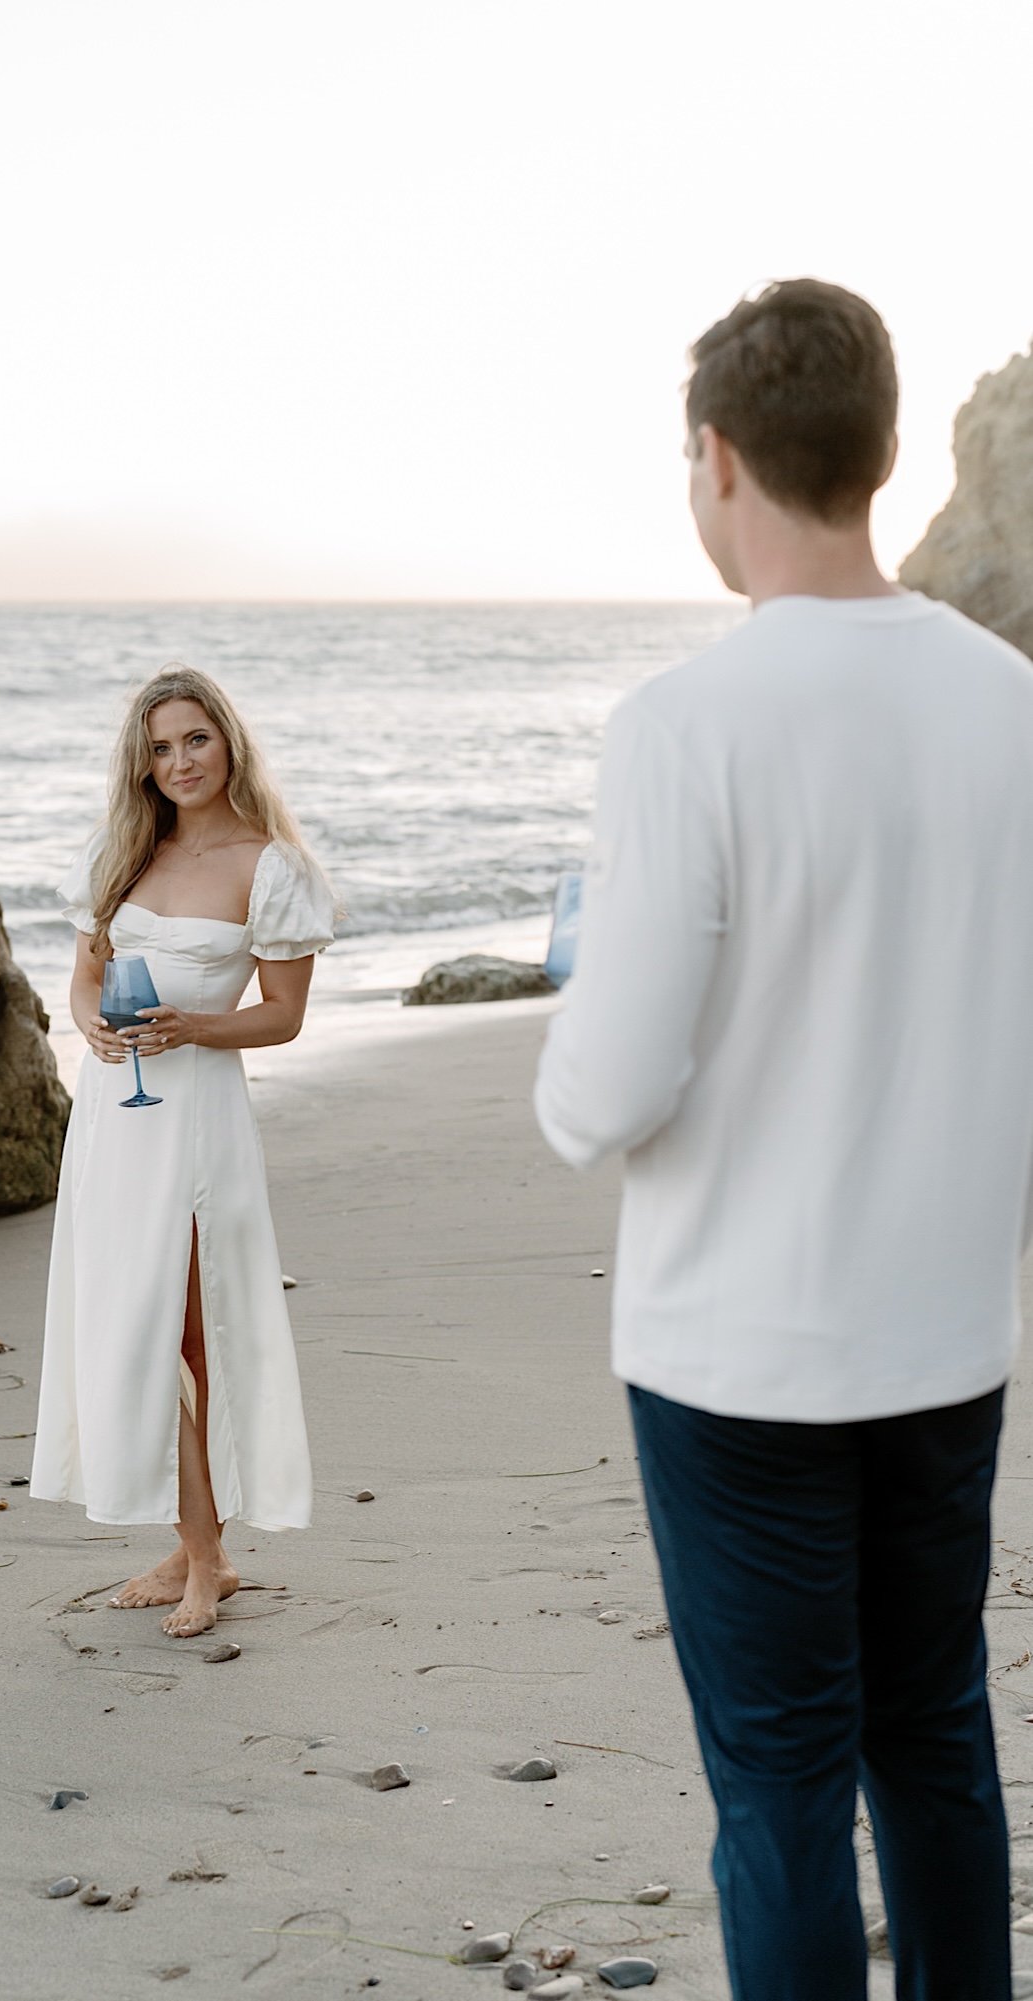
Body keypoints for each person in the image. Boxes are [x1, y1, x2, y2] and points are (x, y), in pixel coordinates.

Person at [535, 279, 1033, 1998]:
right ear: (884, 456)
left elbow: (606, 1092)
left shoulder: (685, 727)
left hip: (741, 1357)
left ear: (721, 458)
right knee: (938, 1744)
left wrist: (576, 984)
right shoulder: (1012, 706)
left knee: (782, 1791)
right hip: (946, 1335)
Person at [30, 664, 334, 1639]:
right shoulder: (120, 854)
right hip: (114, 1117)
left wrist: (193, 1029)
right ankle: (191, 1539)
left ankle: (208, 1561)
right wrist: (93, 1030)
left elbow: (282, 1017)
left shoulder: (269, 866)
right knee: (126, 1327)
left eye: (194, 739)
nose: (179, 761)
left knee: (186, 1334)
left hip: (197, 1122)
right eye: (160, 747)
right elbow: (84, 982)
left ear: (228, 740)